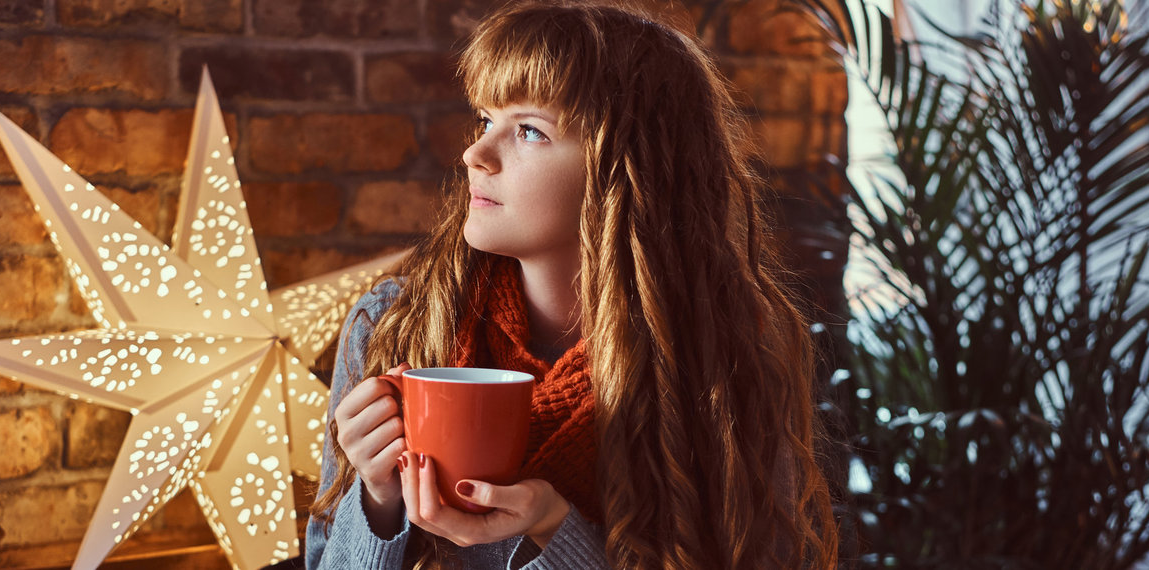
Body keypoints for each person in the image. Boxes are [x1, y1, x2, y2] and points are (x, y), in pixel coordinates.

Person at [305, 1, 842, 568]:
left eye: (530, 131)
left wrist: (555, 532)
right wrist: (378, 499)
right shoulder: (393, 326)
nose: (475, 153)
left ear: (629, 171)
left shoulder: (719, 356)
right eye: (487, 121)